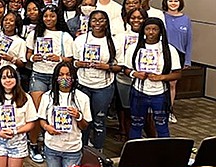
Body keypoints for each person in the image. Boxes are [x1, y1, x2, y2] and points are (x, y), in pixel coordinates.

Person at [26, 4, 74, 163]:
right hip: (39, 75)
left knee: (54, 111)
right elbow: (28, 55)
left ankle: (50, 145)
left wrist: (59, 59)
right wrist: (34, 58)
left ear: (58, 17)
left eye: (52, 16)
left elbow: (70, 59)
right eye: (46, 16)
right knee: (37, 111)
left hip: (57, 77)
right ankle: (33, 143)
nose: (48, 19)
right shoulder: (35, 34)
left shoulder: (65, 36)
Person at [123, 17, 181, 139]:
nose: (151, 32)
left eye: (154, 29)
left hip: (160, 93)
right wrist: (135, 74)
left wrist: (162, 77)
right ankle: (135, 152)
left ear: (160, 31)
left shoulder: (169, 49)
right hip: (139, 91)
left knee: (162, 125)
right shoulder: (134, 48)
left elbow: (177, 73)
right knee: (136, 124)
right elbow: (126, 69)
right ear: (143, 30)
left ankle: (164, 153)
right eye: (148, 29)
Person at [73, 10, 122, 151]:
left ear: (106, 22)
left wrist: (106, 67)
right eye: (94, 20)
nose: (97, 23)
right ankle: (82, 148)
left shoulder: (113, 42)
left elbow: (119, 66)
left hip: (103, 86)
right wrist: (80, 64)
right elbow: (74, 62)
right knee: (83, 119)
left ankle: (98, 149)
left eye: (101, 20)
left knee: (99, 120)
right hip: (83, 84)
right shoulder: (81, 40)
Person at [38, 62, 91, 167]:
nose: (64, 78)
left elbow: (85, 126)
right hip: (52, 147)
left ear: (73, 77)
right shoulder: (47, 97)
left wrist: (78, 116)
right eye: (61, 75)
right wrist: (47, 127)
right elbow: (41, 119)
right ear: (56, 77)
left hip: (72, 149)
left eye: (68, 74)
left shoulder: (82, 98)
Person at [115, 8, 150, 141]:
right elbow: (118, 59)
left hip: (147, 83)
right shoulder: (120, 37)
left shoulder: (151, 36)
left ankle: (153, 142)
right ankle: (132, 142)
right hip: (125, 80)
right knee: (129, 112)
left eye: (140, 18)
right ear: (127, 19)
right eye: (133, 18)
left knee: (147, 115)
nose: (136, 20)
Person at [163, 0, 192, 124]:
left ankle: (170, 110)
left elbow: (189, 41)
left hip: (179, 54)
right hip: (164, 53)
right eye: (170, 1)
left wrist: (187, 59)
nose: (173, 3)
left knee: (173, 83)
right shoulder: (162, 16)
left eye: (176, 1)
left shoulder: (185, 19)